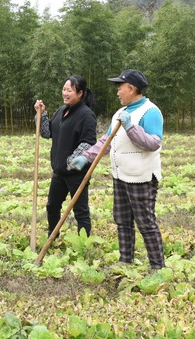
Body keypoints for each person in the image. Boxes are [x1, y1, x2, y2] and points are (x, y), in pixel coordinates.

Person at [69, 69, 165, 271]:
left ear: (132, 89)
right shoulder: (120, 114)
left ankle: (157, 267)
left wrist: (131, 127)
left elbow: (153, 143)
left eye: (120, 88)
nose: (118, 92)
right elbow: (106, 141)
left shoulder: (150, 112)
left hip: (141, 177)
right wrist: (86, 157)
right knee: (122, 220)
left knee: (146, 223)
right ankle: (125, 261)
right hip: (120, 175)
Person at [34, 75, 97, 239]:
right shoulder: (62, 111)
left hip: (77, 173)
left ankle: (84, 243)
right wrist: (42, 114)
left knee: (80, 211)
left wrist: (71, 161)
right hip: (59, 171)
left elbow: (88, 143)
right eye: (64, 89)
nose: (65, 93)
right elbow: (47, 133)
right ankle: (52, 237)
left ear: (80, 93)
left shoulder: (86, 115)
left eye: (70, 90)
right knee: (52, 206)